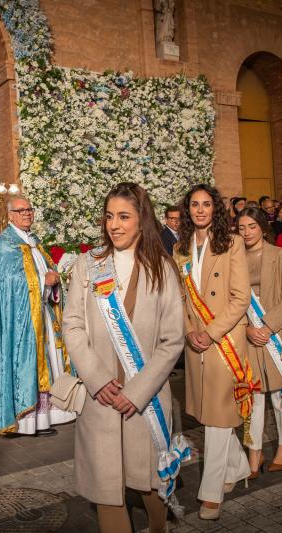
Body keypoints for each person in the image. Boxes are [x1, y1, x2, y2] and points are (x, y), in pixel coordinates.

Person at [62, 183, 186, 533]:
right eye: (109, 216)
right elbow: (71, 324)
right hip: (100, 398)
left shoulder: (162, 269)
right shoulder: (89, 264)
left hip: (143, 400)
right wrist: (97, 379)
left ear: (141, 221)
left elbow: (172, 339)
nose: (114, 224)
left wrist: (137, 392)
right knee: (107, 490)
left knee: (149, 482)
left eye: (124, 217)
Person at [174, 184, 255, 520]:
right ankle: (237, 468)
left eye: (206, 204)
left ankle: (210, 495)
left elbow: (240, 298)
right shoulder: (179, 248)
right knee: (208, 414)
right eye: (194, 205)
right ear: (188, 210)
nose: (200, 210)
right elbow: (178, 298)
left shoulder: (232, 243)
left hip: (224, 342)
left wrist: (210, 332)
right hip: (196, 342)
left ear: (216, 209)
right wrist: (189, 331)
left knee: (218, 418)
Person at [0, 196, 76, 435]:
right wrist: (44, 281)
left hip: (43, 312)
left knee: (51, 360)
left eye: (29, 210)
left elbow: (41, 270)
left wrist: (53, 281)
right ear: (10, 215)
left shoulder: (34, 240)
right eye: (21, 210)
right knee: (26, 364)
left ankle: (54, 413)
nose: (27, 214)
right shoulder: (4, 244)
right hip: (21, 320)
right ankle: (28, 422)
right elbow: (8, 284)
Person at [237, 207, 282, 478]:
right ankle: (254, 451)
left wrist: (266, 327)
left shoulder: (280, 255)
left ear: (262, 227)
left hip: (276, 334)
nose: (247, 232)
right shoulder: (235, 259)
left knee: (281, 395)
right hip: (249, 335)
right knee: (251, 397)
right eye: (241, 227)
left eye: (252, 226)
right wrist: (246, 328)